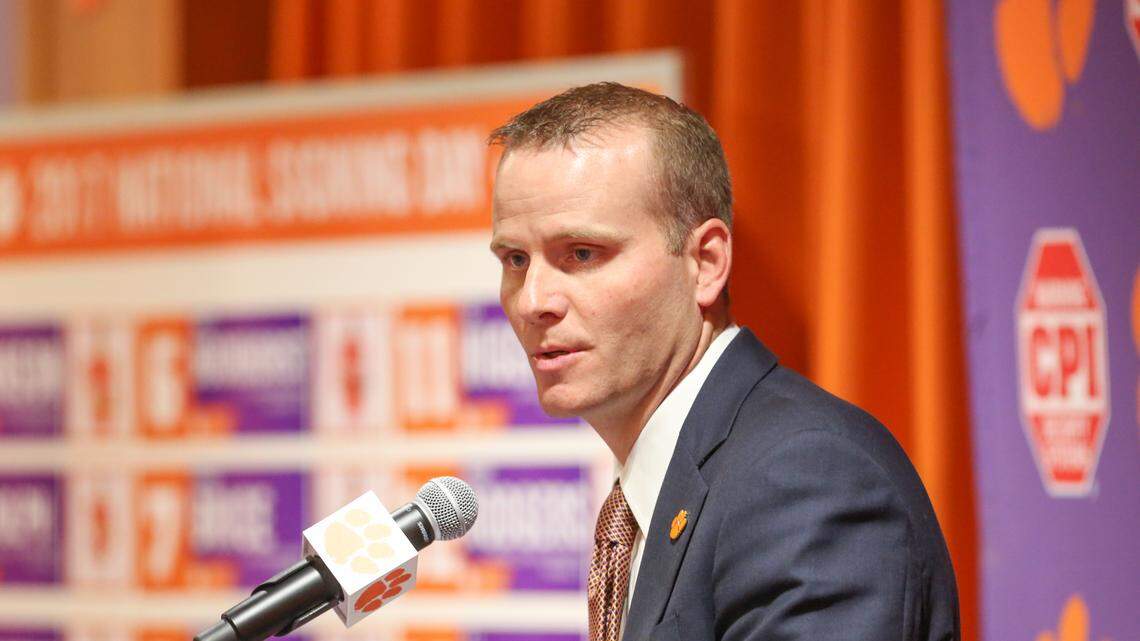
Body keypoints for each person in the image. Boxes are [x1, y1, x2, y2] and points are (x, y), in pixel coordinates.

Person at [487, 82, 960, 641]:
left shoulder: (805, 477)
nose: (534, 299)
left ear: (706, 263)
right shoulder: (669, 484)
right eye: (516, 259)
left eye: (583, 254)